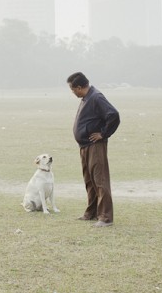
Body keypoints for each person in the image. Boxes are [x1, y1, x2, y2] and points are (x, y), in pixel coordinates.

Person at [67, 72, 120, 227]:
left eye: (72, 89)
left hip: (95, 146)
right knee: (89, 181)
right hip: (84, 146)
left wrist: (103, 134)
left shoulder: (96, 97)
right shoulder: (86, 98)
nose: (72, 93)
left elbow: (113, 115)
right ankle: (92, 212)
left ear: (79, 87)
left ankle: (105, 217)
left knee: (100, 180)